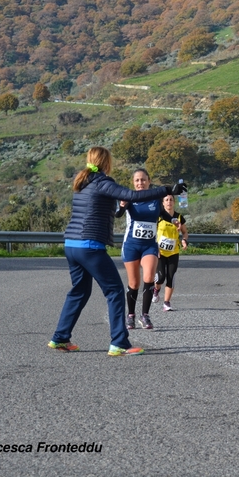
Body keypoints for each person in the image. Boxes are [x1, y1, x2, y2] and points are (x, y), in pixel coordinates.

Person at [48, 146, 187, 356]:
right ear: (106, 163)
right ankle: (119, 343)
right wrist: (167, 189)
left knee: (79, 291)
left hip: (71, 246)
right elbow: (132, 195)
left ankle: (60, 338)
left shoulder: (81, 181)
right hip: (89, 246)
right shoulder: (102, 182)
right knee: (114, 291)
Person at [115, 168, 163, 330]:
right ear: (133, 183)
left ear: (149, 181)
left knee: (149, 277)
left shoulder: (156, 198)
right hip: (131, 246)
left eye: (143, 180)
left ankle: (145, 315)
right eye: (137, 180)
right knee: (134, 283)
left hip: (149, 245)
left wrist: (174, 221)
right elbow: (118, 214)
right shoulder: (128, 196)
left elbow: (165, 214)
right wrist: (122, 206)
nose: (140, 183)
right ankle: (131, 316)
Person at [155, 193, 188, 311]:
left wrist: (184, 240)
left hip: (173, 252)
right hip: (160, 252)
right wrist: (154, 247)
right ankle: (156, 289)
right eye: (166, 200)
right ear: (163, 203)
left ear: (174, 202)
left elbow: (185, 232)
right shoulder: (158, 216)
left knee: (171, 276)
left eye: (171, 200)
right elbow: (152, 233)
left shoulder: (179, 217)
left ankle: (166, 302)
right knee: (160, 278)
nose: (169, 202)